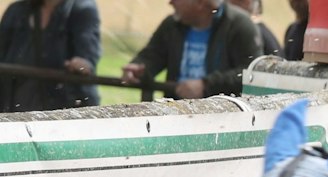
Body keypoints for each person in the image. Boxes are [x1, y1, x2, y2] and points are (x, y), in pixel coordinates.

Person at [123, 0, 261, 98]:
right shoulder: (171, 24)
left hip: (224, 118)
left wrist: (206, 85)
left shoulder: (239, 25)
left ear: (200, 3)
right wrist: (138, 68)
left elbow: (253, 73)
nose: (170, 2)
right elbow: (153, 55)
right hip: (175, 113)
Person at [0, 0, 100, 112]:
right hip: (16, 106)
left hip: (65, 108)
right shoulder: (16, 11)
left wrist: (82, 64)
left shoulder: (82, 9)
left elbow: (87, 55)